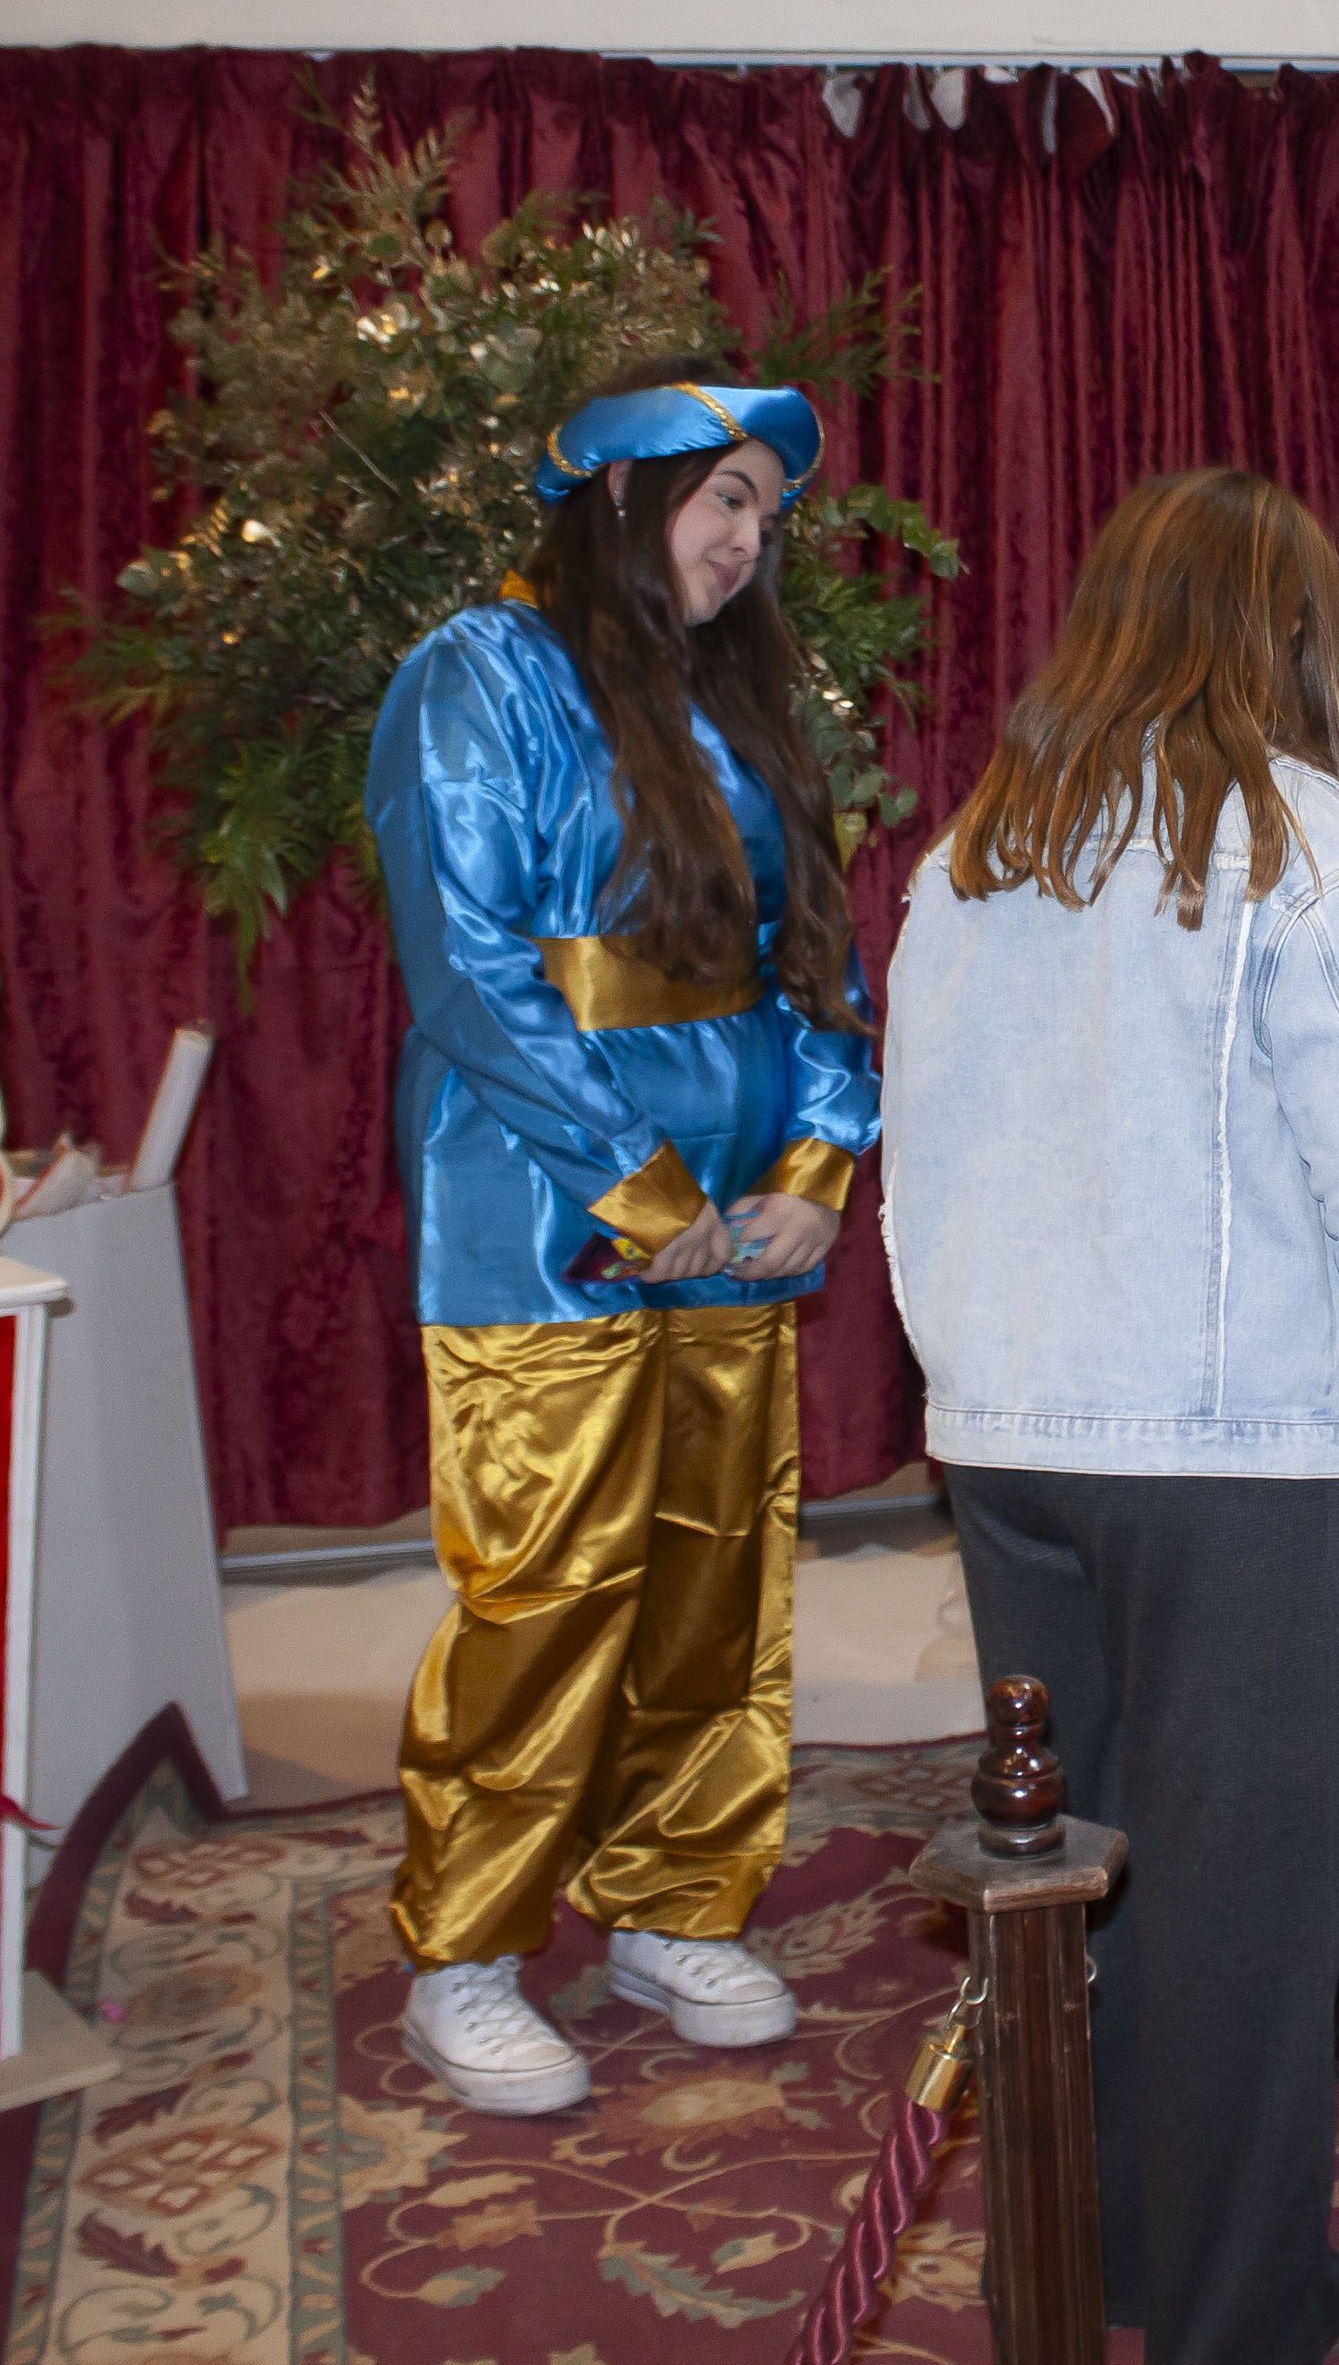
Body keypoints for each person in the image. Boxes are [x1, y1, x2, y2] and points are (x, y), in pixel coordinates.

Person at [883, 469, 1339, 2364]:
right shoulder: (1306, 843)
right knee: (1237, 1907)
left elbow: (913, 1156)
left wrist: (968, 1389)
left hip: (1009, 1439)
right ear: (1289, 635)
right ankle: (1237, 2316)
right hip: (1232, 1456)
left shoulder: (978, 844)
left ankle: (1082, 2267)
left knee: (1062, 1883)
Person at [363, 362, 878, 2117]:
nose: (747, 541)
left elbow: (815, 957)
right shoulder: (474, 675)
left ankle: (671, 1900)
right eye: (722, 499)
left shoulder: (735, 702)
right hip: (537, 1219)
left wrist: (814, 1165)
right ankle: (466, 1949)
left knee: (715, 1574)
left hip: (733, 1223)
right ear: (617, 493)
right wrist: (644, 1194)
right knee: (548, 1584)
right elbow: (472, 974)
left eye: (764, 516)